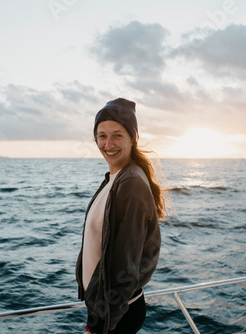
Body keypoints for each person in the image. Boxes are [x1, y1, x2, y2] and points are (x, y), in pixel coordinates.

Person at [76, 98, 165, 333]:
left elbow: (124, 264)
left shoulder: (131, 183)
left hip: (116, 313)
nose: (108, 143)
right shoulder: (115, 178)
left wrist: (102, 322)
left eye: (117, 135)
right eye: (102, 135)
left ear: (132, 138)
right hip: (107, 306)